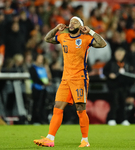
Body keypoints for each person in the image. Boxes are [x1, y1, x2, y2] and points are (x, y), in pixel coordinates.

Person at [33, 16, 106, 147]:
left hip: (79, 78)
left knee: (80, 110)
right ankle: (50, 138)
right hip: (65, 79)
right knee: (57, 108)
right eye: (71, 22)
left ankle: (85, 140)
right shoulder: (63, 36)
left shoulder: (85, 38)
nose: (71, 24)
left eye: (75, 22)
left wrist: (90, 31)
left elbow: (102, 43)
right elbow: (47, 38)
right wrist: (56, 28)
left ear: (81, 26)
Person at [103, 47, 133, 126]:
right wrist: (109, 75)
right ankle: (111, 119)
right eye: (118, 54)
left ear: (124, 55)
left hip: (123, 87)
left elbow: (130, 73)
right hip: (114, 87)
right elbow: (104, 71)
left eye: (121, 54)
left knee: (123, 103)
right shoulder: (110, 63)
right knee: (114, 103)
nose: (119, 56)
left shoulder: (126, 63)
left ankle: (123, 119)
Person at [29, 54, 50, 124]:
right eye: (39, 58)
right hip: (36, 88)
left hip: (43, 89)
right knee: (36, 105)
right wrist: (43, 83)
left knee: (43, 105)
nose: (41, 60)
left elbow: (48, 77)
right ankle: (34, 119)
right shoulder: (33, 68)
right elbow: (35, 78)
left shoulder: (43, 68)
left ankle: (41, 119)